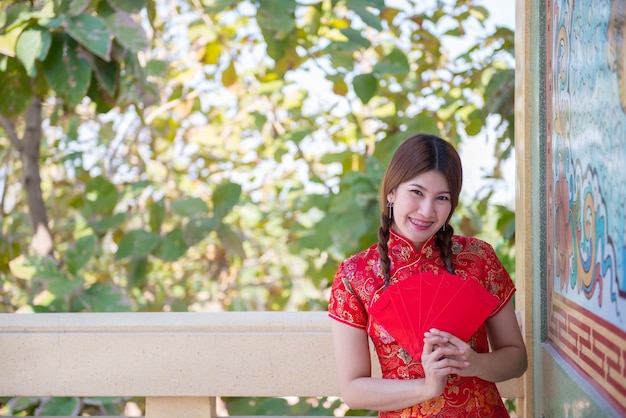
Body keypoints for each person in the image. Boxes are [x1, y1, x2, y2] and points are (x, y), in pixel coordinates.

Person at [327, 133, 527, 417]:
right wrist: (427, 387)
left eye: (441, 198)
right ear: (392, 192)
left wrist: (475, 364)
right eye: (417, 192)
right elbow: (354, 390)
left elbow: (517, 359)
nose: (427, 210)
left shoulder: (478, 258)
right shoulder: (355, 275)